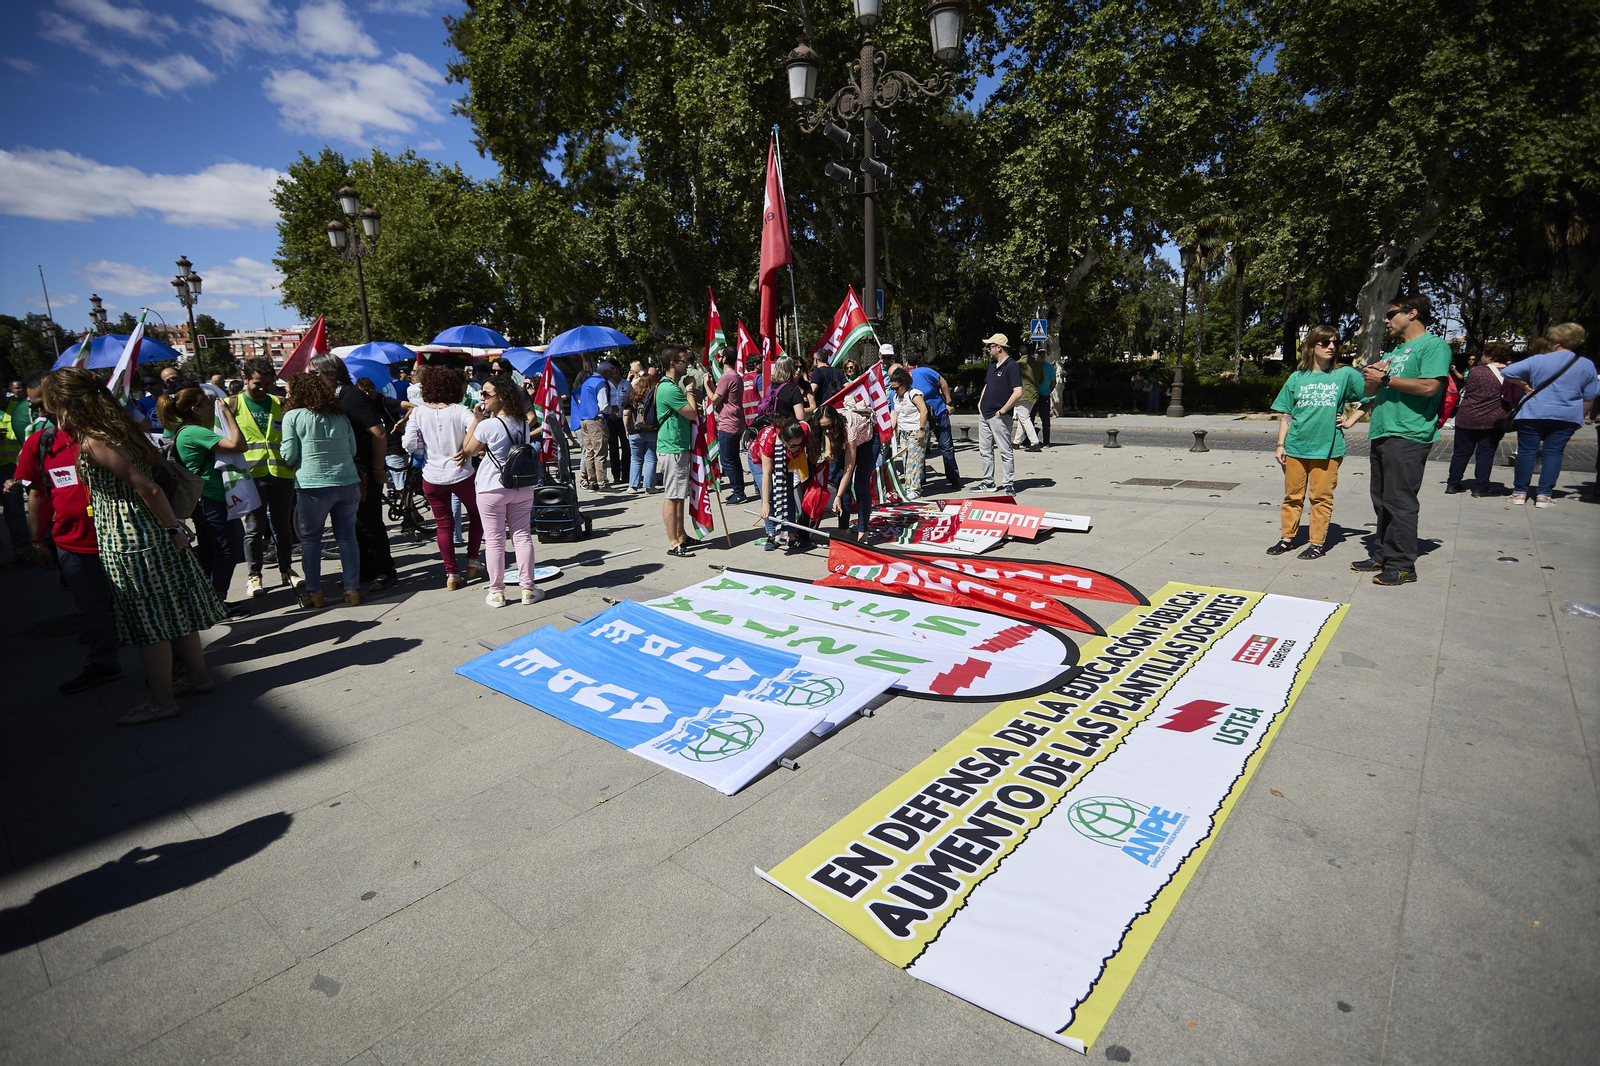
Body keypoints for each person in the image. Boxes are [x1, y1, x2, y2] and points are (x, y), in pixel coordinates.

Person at [41, 368, 225, 725]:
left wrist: (173, 528)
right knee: (178, 611)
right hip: (146, 533)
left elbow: (148, 487)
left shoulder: (96, 438)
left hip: (131, 540)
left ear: (66, 402)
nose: (51, 412)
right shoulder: (121, 427)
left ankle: (162, 701)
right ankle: (198, 678)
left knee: (149, 624)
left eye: (53, 404)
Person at [17, 389, 121, 693]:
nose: (41, 413)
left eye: (45, 406)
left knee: (136, 603)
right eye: (38, 407)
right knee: (91, 608)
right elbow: (37, 493)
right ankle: (104, 663)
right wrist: (37, 542)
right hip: (71, 543)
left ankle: (165, 662)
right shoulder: (40, 443)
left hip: (118, 538)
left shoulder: (106, 434)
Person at [1355, 294, 1451, 586]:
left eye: (1391, 314)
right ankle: (1382, 555)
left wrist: (1387, 380)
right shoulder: (1396, 350)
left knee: (1400, 502)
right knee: (1382, 501)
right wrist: (1372, 375)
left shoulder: (1433, 345)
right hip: (1383, 431)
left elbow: (1430, 387)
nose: (1386, 320)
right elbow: (1370, 392)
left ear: (1412, 313)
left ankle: (1402, 566)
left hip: (1408, 433)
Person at [1266, 325, 1367, 559]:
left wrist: (1351, 420)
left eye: (1335, 343)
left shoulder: (1345, 374)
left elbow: (1370, 396)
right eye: (1325, 342)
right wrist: (1280, 444)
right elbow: (1287, 414)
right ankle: (1287, 539)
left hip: (1329, 448)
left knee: (1320, 497)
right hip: (1296, 446)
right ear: (1312, 346)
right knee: (1292, 496)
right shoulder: (1297, 377)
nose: (1331, 346)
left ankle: (1317, 543)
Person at [157, 386, 250, 620]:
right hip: (209, 500)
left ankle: (207, 600)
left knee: (211, 551)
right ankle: (215, 602)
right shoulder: (193, 433)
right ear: (195, 409)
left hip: (206, 500)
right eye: (206, 403)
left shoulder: (189, 430)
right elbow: (240, 445)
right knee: (226, 550)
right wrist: (228, 414)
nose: (211, 406)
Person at [311, 352, 397, 592]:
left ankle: (384, 570)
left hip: (364, 471)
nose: (311, 378)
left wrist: (378, 468)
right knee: (354, 524)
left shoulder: (352, 396)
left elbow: (379, 432)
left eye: (314, 373)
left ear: (330, 374)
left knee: (369, 522)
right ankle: (365, 570)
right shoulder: (336, 396)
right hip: (348, 469)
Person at [462, 374, 544, 607]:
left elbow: (468, 449)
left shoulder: (488, 424)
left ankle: (497, 592)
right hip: (521, 485)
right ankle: (528, 589)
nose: (483, 398)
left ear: (502, 397)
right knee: (522, 537)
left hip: (491, 486)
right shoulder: (521, 422)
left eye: (487, 394)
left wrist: (477, 420)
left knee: (496, 541)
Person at [280, 372, 361, 608]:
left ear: (297, 393)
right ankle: (352, 589)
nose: (286, 394)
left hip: (312, 484)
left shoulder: (292, 416)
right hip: (347, 481)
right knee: (347, 538)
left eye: (288, 390)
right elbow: (353, 450)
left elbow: (289, 455)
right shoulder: (340, 417)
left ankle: (314, 592)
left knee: (310, 539)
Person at [403, 365, 484, 590]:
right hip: (461, 473)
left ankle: (451, 573)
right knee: (477, 515)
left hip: (432, 475)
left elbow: (408, 444)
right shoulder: (460, 410)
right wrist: (465, 448)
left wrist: (422, 446)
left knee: (443, 526)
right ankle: (472, 559)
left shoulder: (418, 412)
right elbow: (478, 432)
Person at [1502, 322, 1598, 507]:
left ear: (1557, 341)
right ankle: (1544, 495)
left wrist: (1523, 385)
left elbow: (1507, 371)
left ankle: (1519, 493)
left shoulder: (1538, 360)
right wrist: (1581, 416)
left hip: (1533, 412)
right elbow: (1590, 396)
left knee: (1526, 452)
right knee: (1554, 453)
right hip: (1567, 415)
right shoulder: (1586, 364)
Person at [230, 358, 301, 596]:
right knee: (254, 528)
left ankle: (287, 570)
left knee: (283, 527)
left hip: (281, 475)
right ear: (245, 378)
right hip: (250, 478)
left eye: (268, 383)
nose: (263, 388)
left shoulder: (280, 402)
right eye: (258, 383)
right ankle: (254, 576)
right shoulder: (231, 405)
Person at [1446, 342, 1522, 497]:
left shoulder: (1476, 371)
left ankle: (1453, 484)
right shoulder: (1511, 373)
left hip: (1467, 417)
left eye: (1484, 353)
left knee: (1461, 453)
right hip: (1494, 419)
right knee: (1486, 453)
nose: (1481, 356)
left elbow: (1469, 389)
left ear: (1491, 355)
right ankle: (1481, 486)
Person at [654, 345, 700, 556]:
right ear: (672, 364)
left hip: (677, 446)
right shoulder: (669, 388)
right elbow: (691, 413)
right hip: (672, 448)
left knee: (679, 494)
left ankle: (681, 535)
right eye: (684, 361)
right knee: (672, 496)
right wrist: (690, 389)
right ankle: (673, 543)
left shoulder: (670, 386)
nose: (688, 365)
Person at [1, 372, 48, 564]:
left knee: (16, 510)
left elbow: (28, 434)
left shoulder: (19, 409)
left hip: (15, 467)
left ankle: (25, 549)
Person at [975, 333, 1021, 493]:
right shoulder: (991, 366)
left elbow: (1018, 392)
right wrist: (981, 403)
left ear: (998, 347)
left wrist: (1002, 411)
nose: (988, 349)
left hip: (999, 416)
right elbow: (987, 386)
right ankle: (988, 482)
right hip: (985, 414)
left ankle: (1008, 483)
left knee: (1005, 450)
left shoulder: (1012, 366)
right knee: (985, 449)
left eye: (990, 346)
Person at [906, 351, 959, 489]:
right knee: (920, 449)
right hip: (920, 419)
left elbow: (943, 383)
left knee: (946, 448)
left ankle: (953, 478)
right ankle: (921, 481)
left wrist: (948, 402)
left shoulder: (926, 371)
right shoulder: (904, 379)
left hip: (939, 414)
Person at [757, 418, 809, 552]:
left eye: (800, 444)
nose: (797, 447)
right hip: (760, 461)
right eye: (793, 445)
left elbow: (805, 423)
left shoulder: (801, 431)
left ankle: (790, 536)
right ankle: (772, 535)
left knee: (788, 496)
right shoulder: (770, 441)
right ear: (784, 440)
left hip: (786, 461)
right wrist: (765, 504)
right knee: (769, 496)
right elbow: (766, 474)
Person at [710, 348, 748, 503]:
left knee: (726, 460)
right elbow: (720, 394)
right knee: (734, 458)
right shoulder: (734, 376)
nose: (717, 359)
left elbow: (714, 400)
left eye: (719, 356)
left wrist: (707, 384)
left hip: (729, 423)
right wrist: (712, 385)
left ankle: (739, 492)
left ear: (724, 359)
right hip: (736, 421)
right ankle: (739, 490)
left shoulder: (727, 377)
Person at [889, 367, 929, 498]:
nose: (895, 390)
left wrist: (921, 430)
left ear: (904, 383)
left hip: (916, 430)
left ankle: (915, 489)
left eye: (897, 387)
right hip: (904, 432)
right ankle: (908, 487)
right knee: (906, 461)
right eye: (893, 388)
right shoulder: (896, 397)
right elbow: (897, 414)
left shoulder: (914, 394)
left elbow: (924, 411)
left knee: (915, 461)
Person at [573, 362, 610, 491]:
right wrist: (612, 410)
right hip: (595, 419)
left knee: (589, 451)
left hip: (584, 419)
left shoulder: (587, 382)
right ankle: (602, 483)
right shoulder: (600, 383)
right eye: (610, 372)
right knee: (600, 452)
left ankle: (592, 480)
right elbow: (604, 406)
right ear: (605, 372)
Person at [624, 372, 660, 492]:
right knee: (651, 459)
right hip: (652, 430)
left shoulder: (632, 396)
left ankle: (633, 485)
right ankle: (649, 486)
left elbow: (626, 414)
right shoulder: (655, 396)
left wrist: (626, 429)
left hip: (635, 430)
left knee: (636, 459)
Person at [1012, 351, 1043, 451]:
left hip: (1022, 395)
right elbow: (1042, 380)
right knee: (1023, 418)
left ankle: (1035, 442)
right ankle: (1016, 442)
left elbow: (1013, 379)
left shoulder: (1018, 364)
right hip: (1034, 395)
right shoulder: (1037, 365)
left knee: (1024, 419)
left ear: (1020, 353)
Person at [1038, 352, 1057, 442]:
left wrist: (1048, 391)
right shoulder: (1033, 366)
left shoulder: (1049, 367)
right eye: (1039, 354)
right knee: (1029, 418)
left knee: (1045, 420)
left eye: (1043, 355)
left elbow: (1053, 382)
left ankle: (1046, 440)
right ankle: (1028, 440)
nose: (1042, 356)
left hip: (1044, 395)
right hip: (1034, 396)